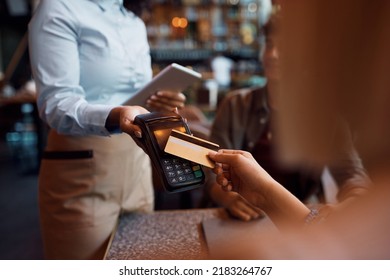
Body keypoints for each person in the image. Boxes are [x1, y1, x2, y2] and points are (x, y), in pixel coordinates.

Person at [207, 0, 390, 259]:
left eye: (284, 46)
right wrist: (227, 198)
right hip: (241, 223)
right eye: (269, 45)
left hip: (295, 220)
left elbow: (353, 176)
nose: (273, 55)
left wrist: (353, 203)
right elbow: (209, 171)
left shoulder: (325, 113)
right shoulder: (235, 104)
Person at [28, 0, 186, 259]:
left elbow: (134, 97)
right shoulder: (59, 8)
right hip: (83, 171)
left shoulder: (134, 21)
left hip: (138, 163)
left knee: (140, 264)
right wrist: (115, 115)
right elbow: (56, 105)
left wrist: (158, 102)